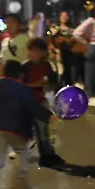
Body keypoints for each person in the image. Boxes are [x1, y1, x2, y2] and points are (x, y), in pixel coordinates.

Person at [0, 60, 48, 189]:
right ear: (20, 75)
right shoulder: (24, 90)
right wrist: (49, 116)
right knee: (22, 153)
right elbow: (33, 108)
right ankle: (19, 181)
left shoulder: (0, 84)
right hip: (17, 128)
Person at [24, 38, 65, 168]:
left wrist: (49, 86)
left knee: (44, 130)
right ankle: (42, 155)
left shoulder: (48, 66)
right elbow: (20, 85)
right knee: (36, 130)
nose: (32, 54)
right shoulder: (25, 67)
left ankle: (48, 154)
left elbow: (54, 83)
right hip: (29, 102)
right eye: (31, 51)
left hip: (41, 101)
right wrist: (35, 84)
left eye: (36, 51)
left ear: (43, 52)